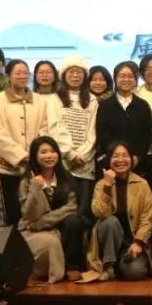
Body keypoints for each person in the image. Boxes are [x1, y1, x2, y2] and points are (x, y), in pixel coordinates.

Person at [0, 59, 55, 225]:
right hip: (7, 166)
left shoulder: (39, 101)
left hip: (34, 165)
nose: (22, 76)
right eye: (18, 73)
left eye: (25, 73)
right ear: (8, 76)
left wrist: (36, 154)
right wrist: (20, 155)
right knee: (11, 212)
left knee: (35, 211)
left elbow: (44, 129)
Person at [18, 136, 84, 283]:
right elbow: (28, 214)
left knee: (73, 221)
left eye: (53, 151)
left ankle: (72, 266)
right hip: (31, 230)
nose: (49, 155)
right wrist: (35, 188)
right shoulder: (26, 181)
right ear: (35, 156)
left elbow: (71, 208)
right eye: (43, 152)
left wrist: (42, 222)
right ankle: (48, 271)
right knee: (50, 241)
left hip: (44, 225)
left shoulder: (66, 178)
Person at [87, 142, 152, 281]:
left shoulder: (142, 184)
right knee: (110, 221)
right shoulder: (101, 184)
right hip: (108, 243)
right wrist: (107, 186)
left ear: (132, 159)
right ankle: (108, 266)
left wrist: (138, 242)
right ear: (109, 160)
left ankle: (118, 266)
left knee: (136, 272)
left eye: (125, 155)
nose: (120, 160)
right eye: (115, 156)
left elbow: (148, 217)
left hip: (131, 243)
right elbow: (99, 212)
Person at [49, 55, 98, 230]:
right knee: (63, 211)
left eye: (79, 72)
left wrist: (82, 155)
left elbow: (93, 131)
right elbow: (54, 127)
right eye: (71, 72)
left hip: (84, 164)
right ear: (63, 75)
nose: (75, 75)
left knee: (82, 212)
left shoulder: (92, 100)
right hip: (63, 162)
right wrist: (70, 153)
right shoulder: (54, 99)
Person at [96, 61, 152, 176]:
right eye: (122, 76)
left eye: (130, 76)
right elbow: (102, 133)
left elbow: (147, 134)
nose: (126, 79)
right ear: (115, 79)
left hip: (136, 163)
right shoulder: (105, 105)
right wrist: (115, 156)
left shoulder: (142, 105)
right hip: (111, 162)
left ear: (135, 80)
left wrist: (137, 157)